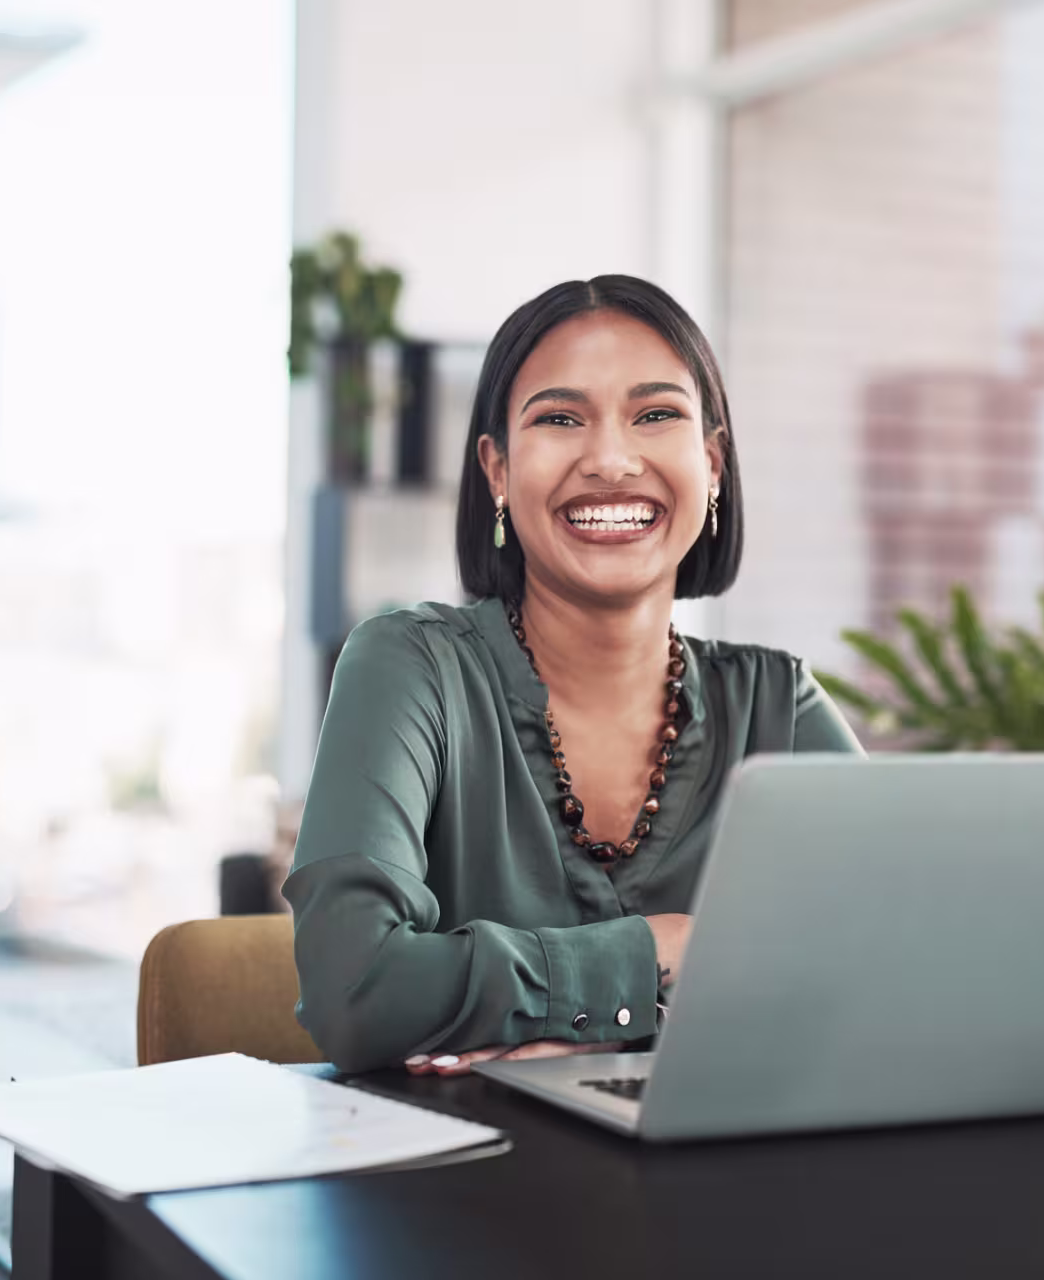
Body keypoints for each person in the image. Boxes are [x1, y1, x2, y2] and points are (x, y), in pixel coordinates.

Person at [285, 275, 862, 1075]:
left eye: (656, 415)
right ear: (496, 468)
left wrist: (602, 1022)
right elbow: (357, 991)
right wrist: (661, 949)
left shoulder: (777, 709)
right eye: (560, 419)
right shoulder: (408, 666)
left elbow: (890, 977)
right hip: (453, 1189)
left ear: (713, 462)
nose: (611, 460)